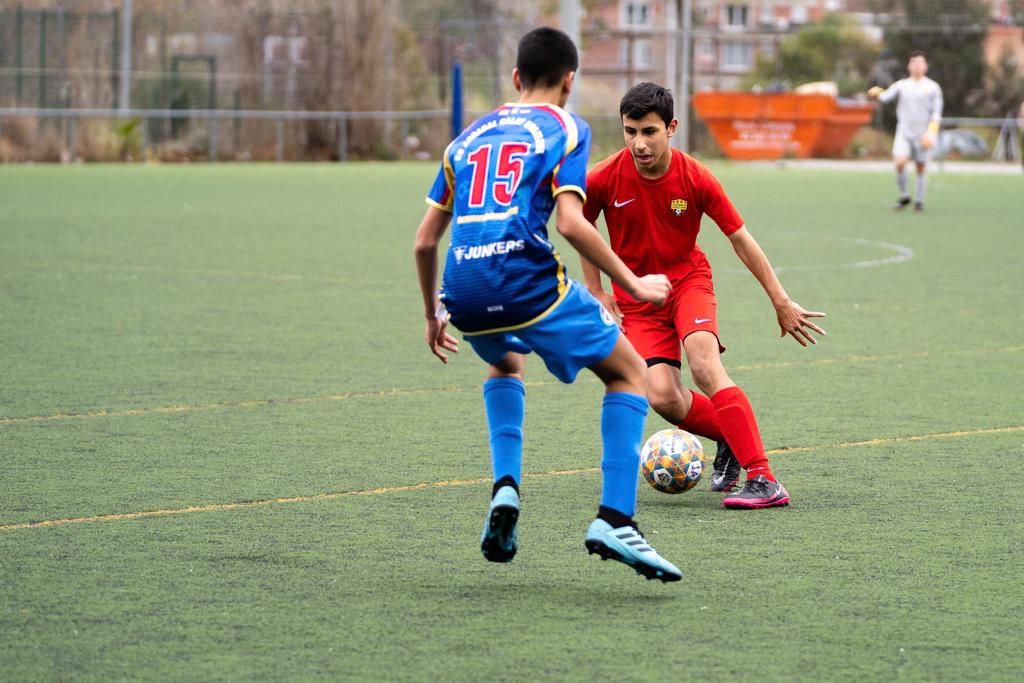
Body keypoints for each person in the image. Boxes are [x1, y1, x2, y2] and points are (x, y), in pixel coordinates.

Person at [413, 29, 682, 582]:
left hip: (461, 291)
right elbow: (571, 224)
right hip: (525, 280)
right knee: (630, 373)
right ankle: (616, 520)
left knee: (505, 360)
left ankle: (505, 488)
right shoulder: (566, 127)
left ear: (516, 78)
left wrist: (431, 313)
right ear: (569, 80)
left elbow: (423, 242)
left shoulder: (465, 139)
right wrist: (633, 284)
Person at [581, 82, 827, 509]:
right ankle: (729, 435)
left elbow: (740, 238)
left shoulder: (695, 177)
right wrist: (597, 290)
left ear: (671, 127)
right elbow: (582, 226)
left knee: (705, 367)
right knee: (662, 396)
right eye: (630, 132)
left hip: (688, 283)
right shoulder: (603, 177)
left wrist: (780, 299)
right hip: (638, 299)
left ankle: (764, 479)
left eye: (649, 132)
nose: (639, 144)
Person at [868, 51, 944, 211]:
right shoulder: (901, 85)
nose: (917, 66)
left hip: (923, 134)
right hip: (904, 132)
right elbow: (885, 97)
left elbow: (936, 114)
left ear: (925, 66)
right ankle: (905, 196)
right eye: (913, 62)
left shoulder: (932, 87)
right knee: (900, 163)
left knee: (920, 167)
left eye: (920, 63)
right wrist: (876, 94)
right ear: (909, 66)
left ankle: (919, 201)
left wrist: (931, 133)